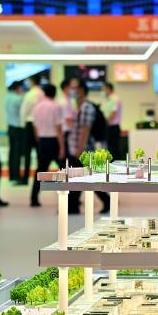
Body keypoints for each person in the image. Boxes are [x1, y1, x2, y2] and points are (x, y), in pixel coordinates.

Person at [66, 81, 110, 215]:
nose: (73, 91)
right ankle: (73, 206)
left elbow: (85, 129)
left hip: (85, 149)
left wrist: (80, 147)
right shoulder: (81, 107)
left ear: (82, 91)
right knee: (81, 177)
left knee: (79, 177)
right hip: (82, 148)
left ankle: (73, 207)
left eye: (75, 89)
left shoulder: (86, 107)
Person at [30, 84, 65, 208]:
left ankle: (33, 198)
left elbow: (35, 126)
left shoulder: (37, 107)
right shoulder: (56, 106)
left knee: (40, 170)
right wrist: (62, 146)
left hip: (41, 140)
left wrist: (39, 140)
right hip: (53, 141)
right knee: (64, 169)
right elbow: (58, 127)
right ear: (55, 93)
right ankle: (70, 198)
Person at [19, 78, 44, 183]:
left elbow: (24, 110)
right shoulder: (43, 94)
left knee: (27, 153)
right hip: (41, 125)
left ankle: (25, 178)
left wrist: (22, 125)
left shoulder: (29, 94)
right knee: (40, 153)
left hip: (30, 124)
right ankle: (40, 178)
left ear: (33, 82)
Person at [4, 81, 26, 184]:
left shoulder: (7, 97)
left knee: (12, 152)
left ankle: (12, 175)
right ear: (18, 88)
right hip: (18, 128)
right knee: (17, 153)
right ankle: (17, 176)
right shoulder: (18, 98)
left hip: (10, 127)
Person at [103, 82, 122, 160]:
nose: (103, 91)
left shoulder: (114, 99)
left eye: (104, 89)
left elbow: (113, 113)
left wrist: (104, 123)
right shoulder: (108, 99)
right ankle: (111, 163)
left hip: (113, 127)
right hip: (109, 126)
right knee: (110, 148)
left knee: (113, 148)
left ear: (108, 89)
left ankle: (115, 164)